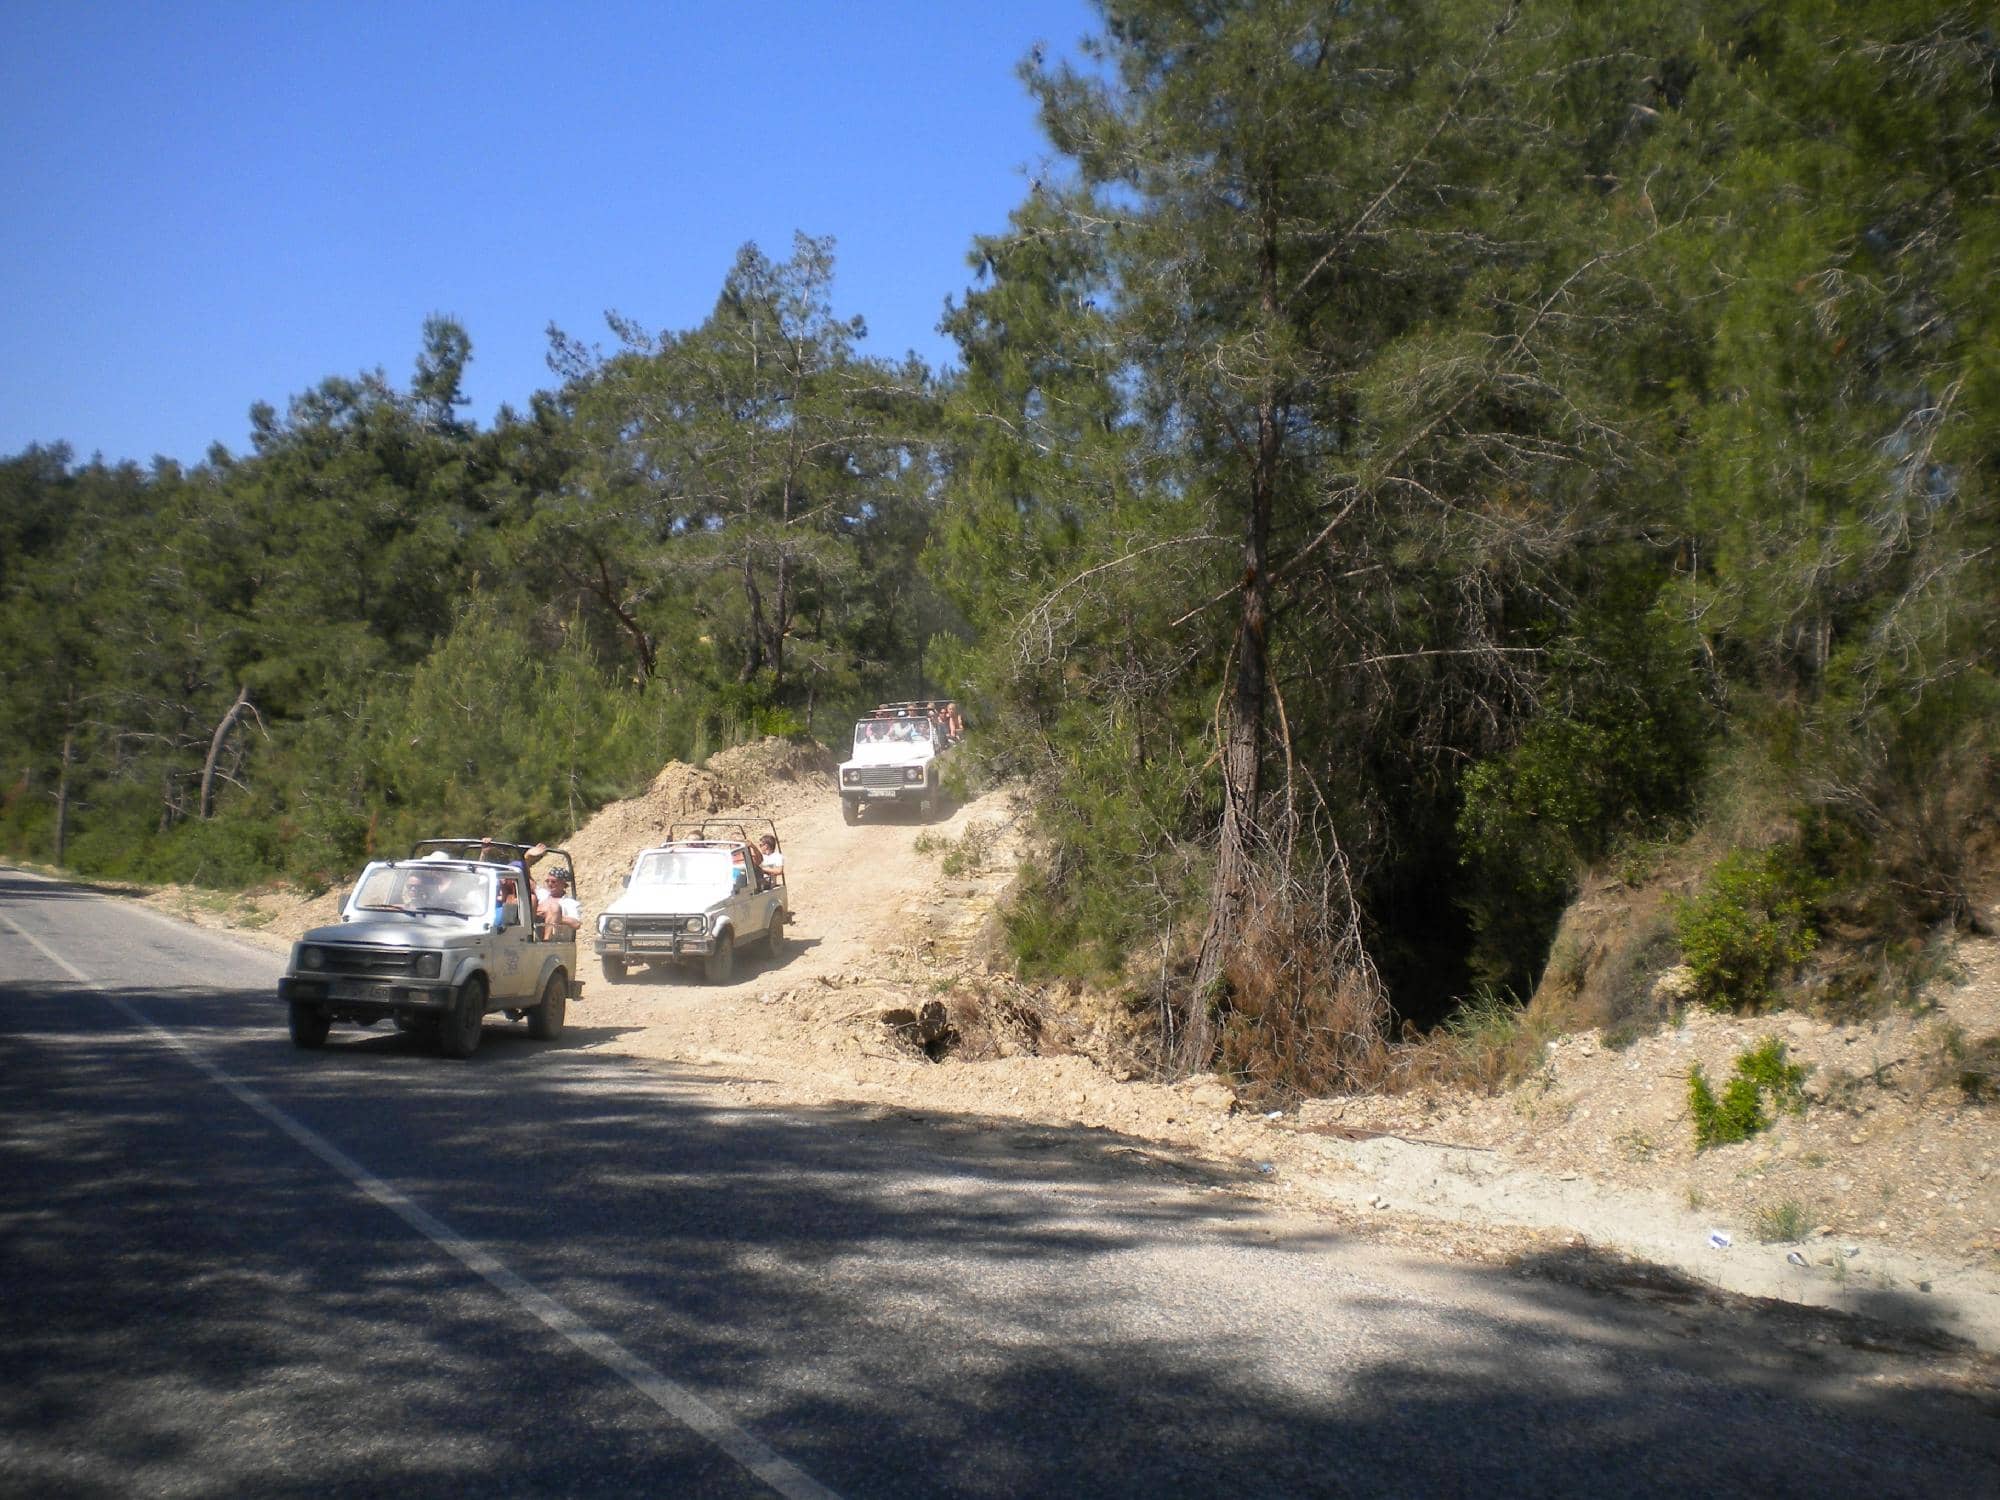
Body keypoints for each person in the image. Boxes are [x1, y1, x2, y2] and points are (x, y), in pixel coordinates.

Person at [536, 868, 581, 939]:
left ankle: (547, 940)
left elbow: (576, 924)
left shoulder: (570, 903)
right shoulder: (542, 895)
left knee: (555, 907)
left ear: (563, 884)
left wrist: (555, 917)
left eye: (553, 882)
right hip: (535, 938)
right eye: (547, 881)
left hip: (556, 940)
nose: (550, 884)